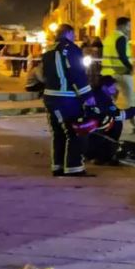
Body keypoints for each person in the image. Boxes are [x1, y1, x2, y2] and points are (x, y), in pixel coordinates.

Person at [42, 24, 96, 177]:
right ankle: (74, 167)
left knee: (58, 133)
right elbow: (77, 73)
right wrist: (87, 95)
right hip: (66, 97)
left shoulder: (48, 49)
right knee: (75, 132)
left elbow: (43, 74)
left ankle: (58, 166)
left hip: (50, 96)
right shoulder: (70, 49)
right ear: (70, 33)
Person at [84, 75, 135, 165]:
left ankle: (100, 151)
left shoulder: (98, 94)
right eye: (113, 86)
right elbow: (117, 115)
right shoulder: (102, 99)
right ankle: (103, 153)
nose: (115, 88)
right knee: (116, 122)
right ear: (104, 87)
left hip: (88, 132)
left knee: (111, 121)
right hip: (92, 134)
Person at [101, 17, 135, 115]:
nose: (129, 29)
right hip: (123, 72)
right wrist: (130, 67)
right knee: (130, 98)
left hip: (109, 73)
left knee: (110, 98)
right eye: (128, 26)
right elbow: (122, 55)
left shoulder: (109, 37)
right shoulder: (121, 38)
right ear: (122, 26)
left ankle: (104, 119)